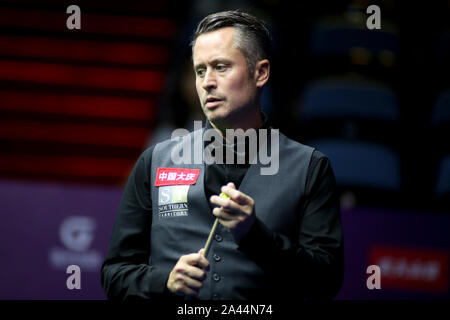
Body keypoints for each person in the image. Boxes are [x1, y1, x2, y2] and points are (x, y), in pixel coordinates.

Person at [101, 10, 344, 301]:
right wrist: (162, 281)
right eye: (200, 70)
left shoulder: (309, 168)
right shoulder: (155, 161)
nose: (207, 82)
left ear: (261, 73)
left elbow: (325, 282)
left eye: (220, 67)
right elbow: (115, 273)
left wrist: (254, 234)